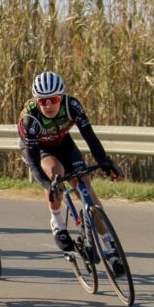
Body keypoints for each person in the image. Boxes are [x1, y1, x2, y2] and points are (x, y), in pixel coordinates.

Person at [18, 71, 124, 270]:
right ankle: (57, 221)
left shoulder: (72, 105)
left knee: (86, 190)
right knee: (56, 174)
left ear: (62, 97)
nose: (48, 105)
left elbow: (90, 138)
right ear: (36, 101)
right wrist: (49, 185)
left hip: (64, 144)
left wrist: (106, 163)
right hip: (38, 149)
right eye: (43, 101)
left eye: (54, 99)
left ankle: (110, 247)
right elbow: (32, 162)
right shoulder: (29, 119)